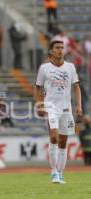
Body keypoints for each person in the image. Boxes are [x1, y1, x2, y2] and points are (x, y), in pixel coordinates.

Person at [34, 40, 82, 184]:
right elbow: (37, 87)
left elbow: (76, 87)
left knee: (63, 142)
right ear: (51, 51)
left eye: (62, 47)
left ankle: (60, 173)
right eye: (57, 48)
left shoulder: (70, 67)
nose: (60, 50)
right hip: (51, 107)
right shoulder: (44, 68)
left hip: (66, 108)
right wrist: (39, 104)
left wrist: (78, 105)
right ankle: (53, 171)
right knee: (54, 137)